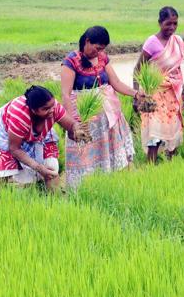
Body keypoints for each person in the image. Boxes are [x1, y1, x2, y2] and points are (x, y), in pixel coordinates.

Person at [60, 26, 142, 187]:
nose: (99, 52)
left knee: (108, 151)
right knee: (85, 153)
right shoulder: (71, 62)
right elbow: (66, 94)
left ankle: (109, 185)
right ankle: (83, 188)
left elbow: (116, 82)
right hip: (85, 119)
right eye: (97, 48)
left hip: (107, 118)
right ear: (87, 41)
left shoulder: (103, 58)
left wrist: (136, 94)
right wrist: (72, 124)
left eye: (102, 49)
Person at [0, 85, 81, 190]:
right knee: (5, 172)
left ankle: (55, 197)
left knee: (51, 168)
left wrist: (77, 129)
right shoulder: (19, 116)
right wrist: (39, 168)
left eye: (52, 106)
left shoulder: (53, 107)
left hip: (40, 134)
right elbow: (14, 149)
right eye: (46, 109)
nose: (52, 110)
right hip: (7, 134)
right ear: (34, 110)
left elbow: (71, 124)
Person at [133, 6, 184, 163]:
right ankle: (151, 165)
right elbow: (138, 70)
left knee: (173, 127)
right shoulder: (152, 42)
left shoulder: (178, 41)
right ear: (160, 23)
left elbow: (177, 69)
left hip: (172, 92)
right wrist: (136, 96)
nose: (172, 27)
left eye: (175, 23)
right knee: (155, 130)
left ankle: (170, 164)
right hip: (154, 92)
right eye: (168, 23)